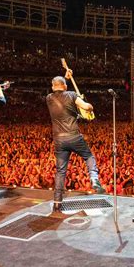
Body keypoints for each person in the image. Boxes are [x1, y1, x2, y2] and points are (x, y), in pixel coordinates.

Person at [46, 73, 103, 213]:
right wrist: (86, 104)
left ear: (53, 86)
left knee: (60, 171)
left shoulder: (49, 98)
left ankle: (57, 202)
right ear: (65, 86)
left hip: (59, 139)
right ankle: (94, 179)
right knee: (88, 157)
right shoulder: (72, 95)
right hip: (74, 136)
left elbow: (62, 96)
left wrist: (65, 79)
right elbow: (87, 107)